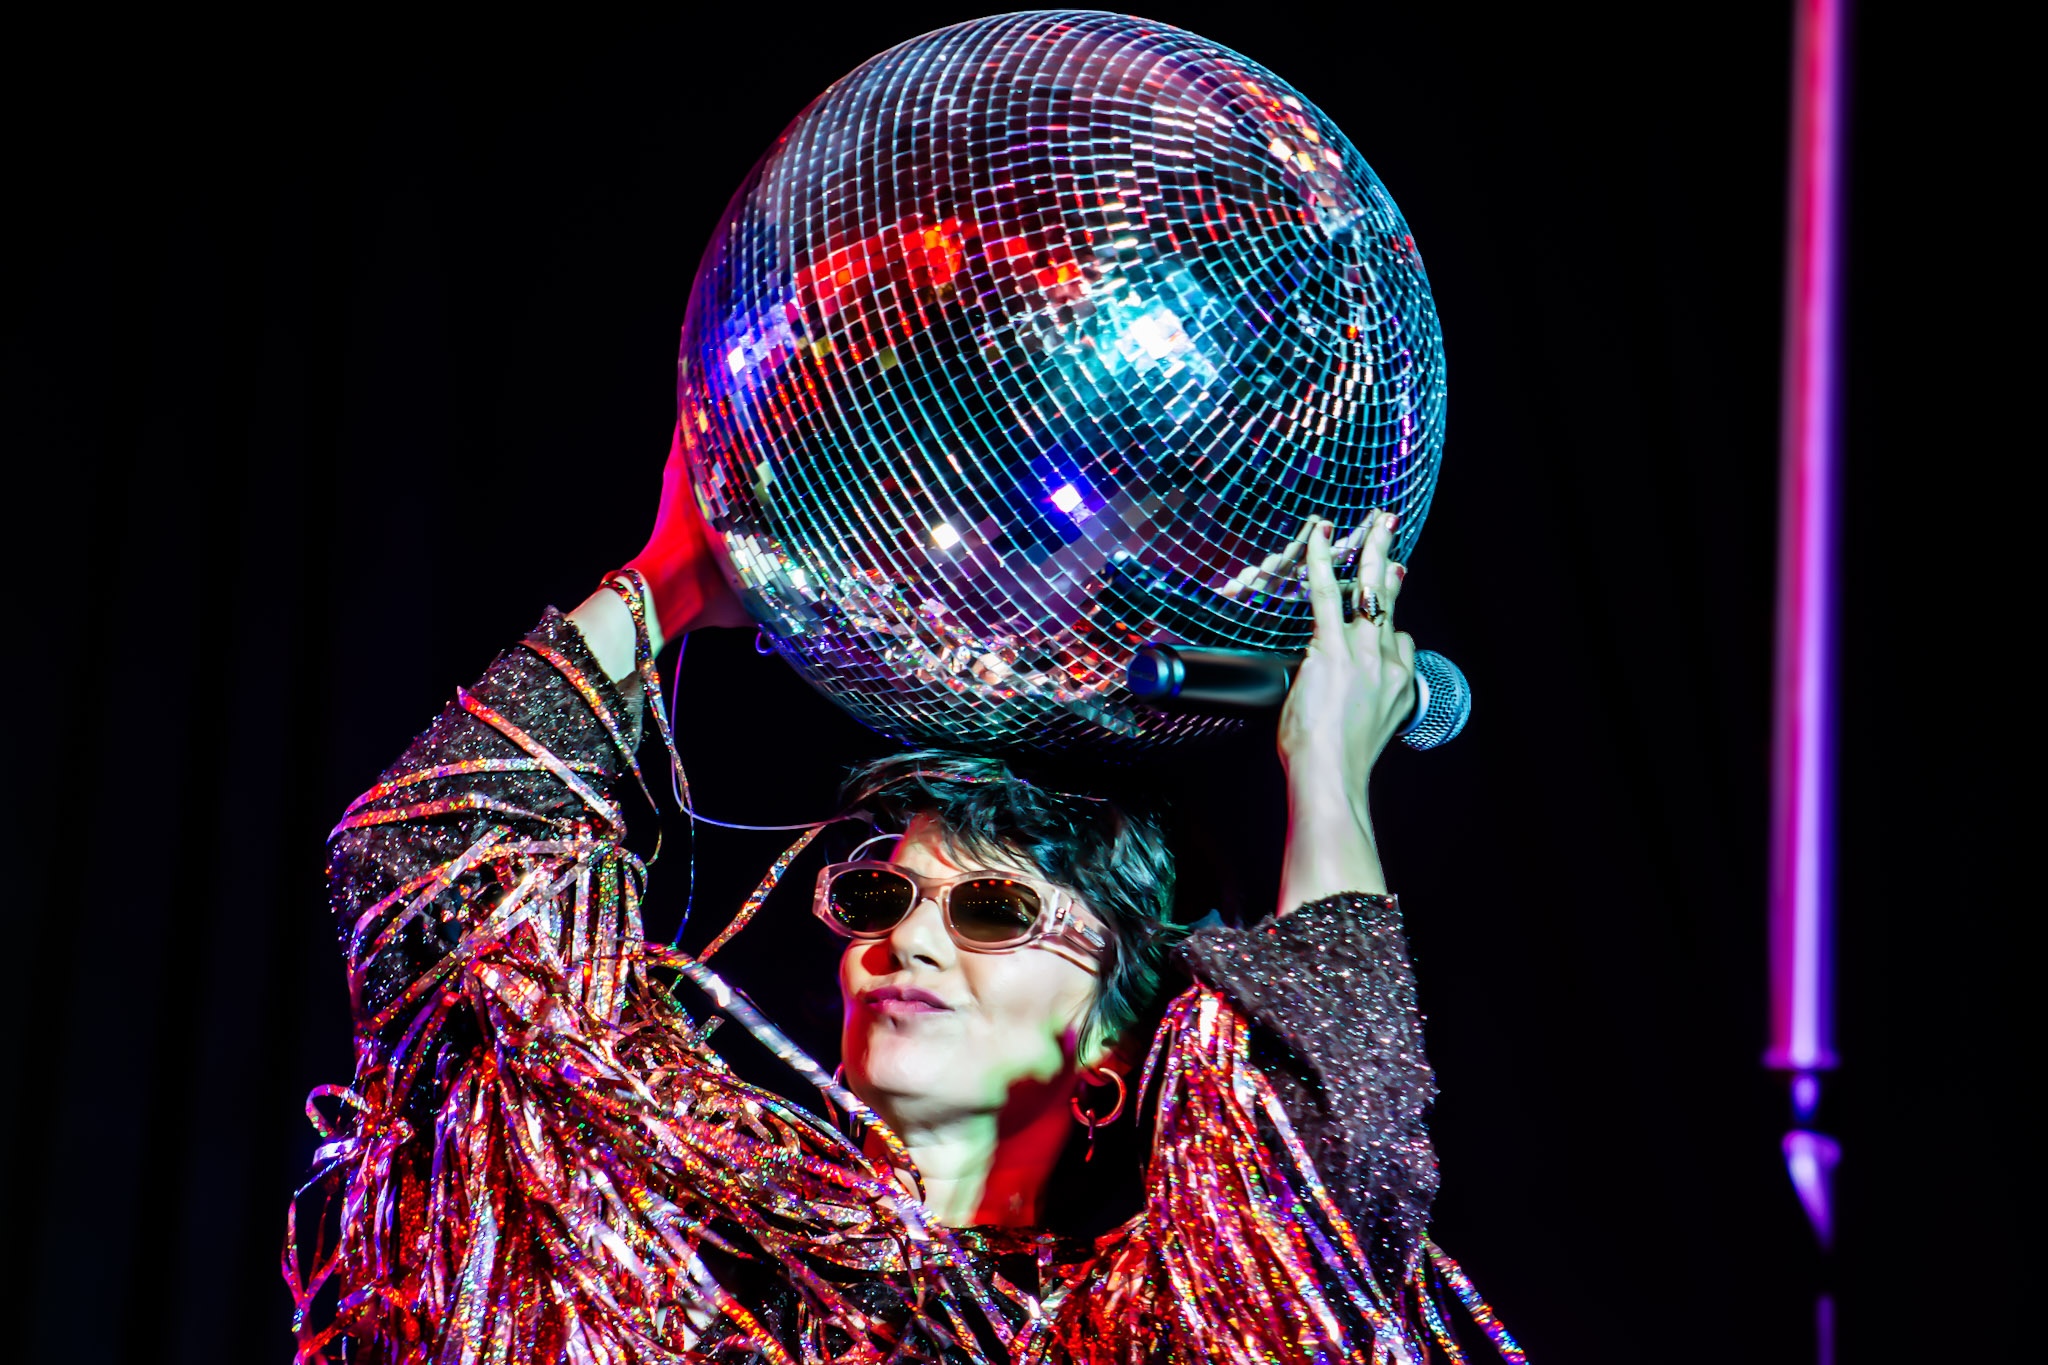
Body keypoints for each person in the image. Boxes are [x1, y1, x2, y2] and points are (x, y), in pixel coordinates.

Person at [287, 430, 1522, 1363]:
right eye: (879, 898)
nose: (906, 940)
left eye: (989, 910)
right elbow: (433, 882)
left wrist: (1324, 771)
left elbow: (1326, 1156)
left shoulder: (1149, 1322)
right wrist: (669, 581)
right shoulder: (681, 1256)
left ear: (1109, 1048)